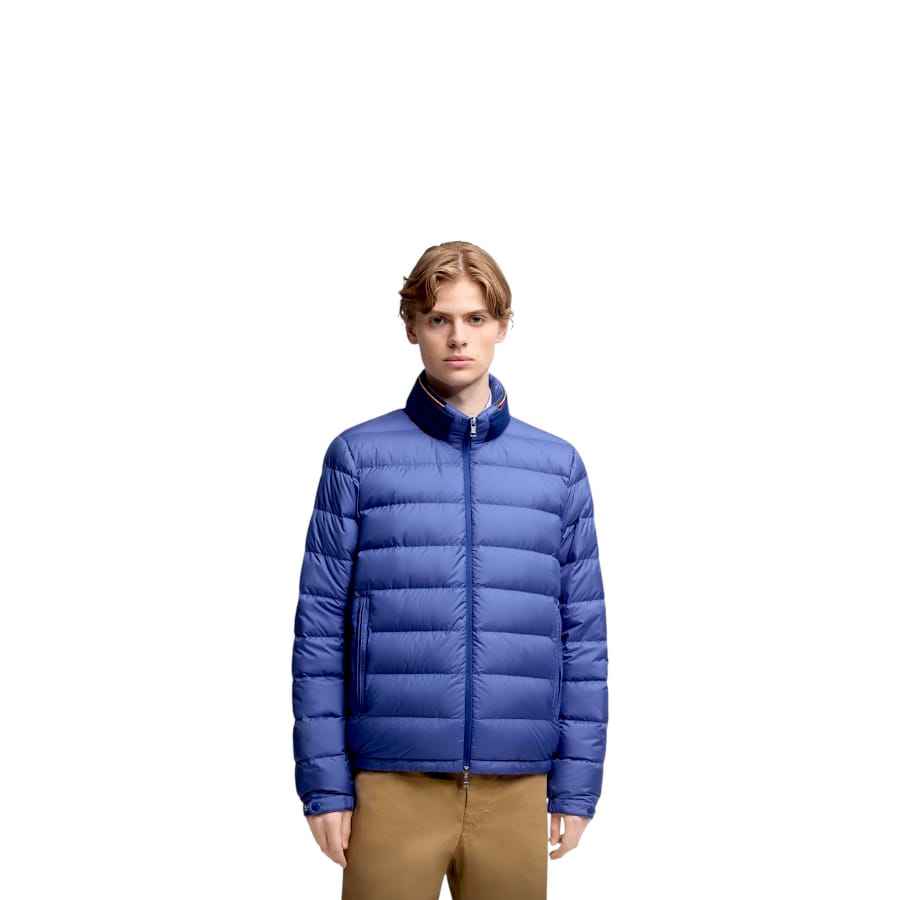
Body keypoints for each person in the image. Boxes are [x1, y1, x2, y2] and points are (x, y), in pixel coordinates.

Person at [291, 241, 608, 900]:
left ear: (501, 326)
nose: (457, 337)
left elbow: (583, 639)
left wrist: (578, 783)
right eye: (439, 319)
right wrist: (325, 785)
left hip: (516, 785)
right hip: (390, 784)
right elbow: (319, 632)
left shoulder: (557, 468)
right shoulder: (358, 458)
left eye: (474, 318)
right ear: (412, 327)